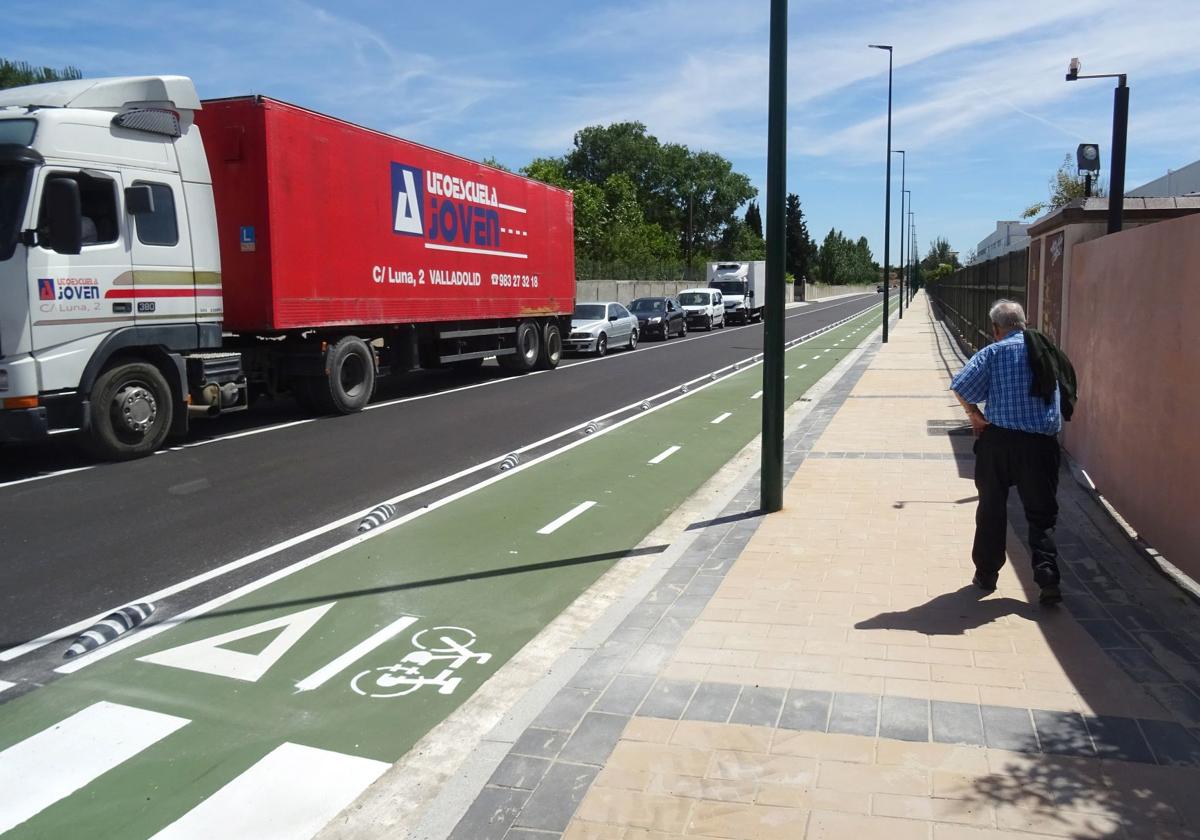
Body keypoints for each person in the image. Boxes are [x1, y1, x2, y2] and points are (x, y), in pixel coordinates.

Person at [950, 300, 1064, 605]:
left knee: (991, 507)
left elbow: (960, 386)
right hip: (1041, 444)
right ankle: (1048, 577)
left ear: (996, 329)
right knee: (1042, 514)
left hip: (999, 442)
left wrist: (974, 415)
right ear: (1024, 324)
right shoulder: (1045, 349)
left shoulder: (993, 352)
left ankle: (986, 575)